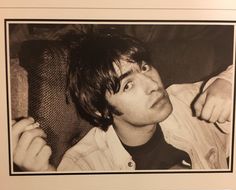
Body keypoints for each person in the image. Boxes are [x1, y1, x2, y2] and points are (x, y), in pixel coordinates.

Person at [12, 32, 233, 171]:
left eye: (144, 67)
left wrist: (228, 82)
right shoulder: (85, 165)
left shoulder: (188, 101)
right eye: (128, 85)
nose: (152, 84)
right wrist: (42, 179)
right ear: (100, 110)